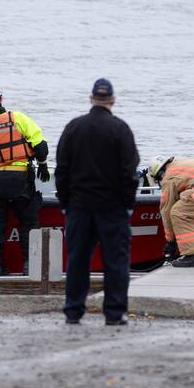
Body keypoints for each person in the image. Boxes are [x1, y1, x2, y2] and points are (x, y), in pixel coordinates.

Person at [55, 78, 139, 326]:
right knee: (116, 261)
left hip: (79, 206)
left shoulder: (73, 128)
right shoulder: (120, 129)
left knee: (77, 260)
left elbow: (61, 170)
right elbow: (129, 172)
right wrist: (127, 204)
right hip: (112, 207)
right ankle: (114, 313)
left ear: (91, 99)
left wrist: (66, 203)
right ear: (112, 100)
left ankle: (73, 311)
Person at [0, 85, 50, 276]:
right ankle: (29, 265)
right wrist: (43, 165)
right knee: (29, 222)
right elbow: (40, 145)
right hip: (21, 180)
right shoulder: (19, 118)